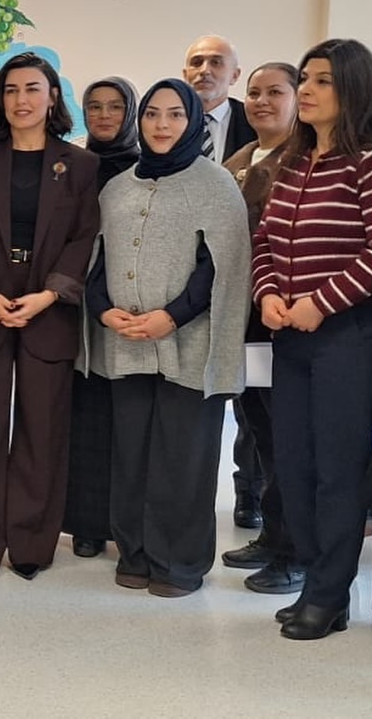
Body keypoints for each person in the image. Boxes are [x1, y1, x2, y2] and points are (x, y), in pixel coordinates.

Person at [85, 78, 249, 597]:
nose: (161, 124)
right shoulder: (117, 187)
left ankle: (178, 563)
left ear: (193, 121)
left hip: (189, 343)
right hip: (125, 341)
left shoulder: (215, 184)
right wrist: (104, 310)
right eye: (152, 114)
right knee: (131, 453)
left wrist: (172, 317)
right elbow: (95, 259)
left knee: (183, 456)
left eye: (175, 114)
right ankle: (134, 554)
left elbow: (220, 267)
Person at [0, 53, 100, 581]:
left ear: (53, 96)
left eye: (32, 89)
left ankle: (32, 543)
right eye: (10, 90)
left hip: (47, 307)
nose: (21, 100)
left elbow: (84, 236)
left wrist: (51, 294)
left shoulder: (80, 165)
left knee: (42, 429)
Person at [252, 39, 372, 639]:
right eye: (305, 78)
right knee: (294, 466)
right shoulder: (295, 163)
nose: (307, 89)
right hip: (291, 337)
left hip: (347, 338)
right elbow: (264, 242)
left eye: (322, 80)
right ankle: (320, 586)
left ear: (353, 88)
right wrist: (268, 294)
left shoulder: (364, 163)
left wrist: (321, 302)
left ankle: (327, 594)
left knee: (336, 470)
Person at [219, 62, 303, 596]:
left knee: (291, 438)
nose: (262, 101)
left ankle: (297, 551)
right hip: (245, 320)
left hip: (287, 320)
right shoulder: (239, 160)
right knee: (260, 431)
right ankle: (273, 536)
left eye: (276, 92)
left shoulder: (307, 161)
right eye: (254, 92)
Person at [182, 33, 261, 528]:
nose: (204, 70)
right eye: (196, 61)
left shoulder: (257, 126)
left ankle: (250, 492)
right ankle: (183, 497)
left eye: (216, 62)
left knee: (251, 394)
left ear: (235, 75)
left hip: (245, 281)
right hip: (182, 282)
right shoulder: (167, 121)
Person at [62, 76, 139, 559]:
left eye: (115, 106)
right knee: (82, 415)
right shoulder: (74, 165)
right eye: (94, 106)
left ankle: (122, 522)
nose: (104, 115)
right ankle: (86, 523)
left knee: (123, 418)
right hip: (74, 305)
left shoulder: (145, 167)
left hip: (124, 309)